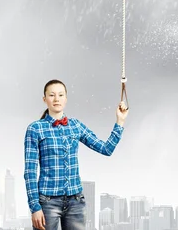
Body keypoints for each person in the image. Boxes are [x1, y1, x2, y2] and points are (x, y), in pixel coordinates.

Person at [24, 79, 129, 230]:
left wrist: (120, 121)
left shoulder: (76, 125)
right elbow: (30, 172)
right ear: (44, 99)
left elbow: (106, 149)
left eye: (60, 95)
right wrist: (35, 207)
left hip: (76, 201)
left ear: (66, 99)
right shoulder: (35, 129)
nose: (56, 99)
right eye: (52, 95)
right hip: (47, 201)